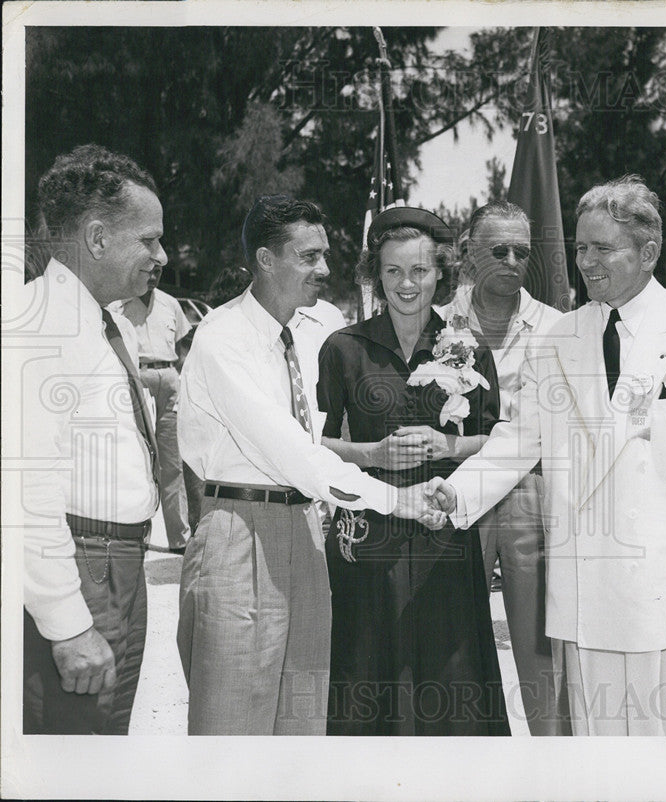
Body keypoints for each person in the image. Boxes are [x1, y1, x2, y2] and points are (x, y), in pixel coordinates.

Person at [431, 176, 666, 736]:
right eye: (580, 248)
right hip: (585, 586)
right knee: (597, 754)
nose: (585, 262)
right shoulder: (560, 337)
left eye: (602, 248)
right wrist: (456, 491)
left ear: (648, 251)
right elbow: (520, 436)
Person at [176, 195, 441, 735]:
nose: (325, 269)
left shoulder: (311, 329)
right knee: (233, 724)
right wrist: (394, 499)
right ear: (266, 260)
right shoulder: (223, 339)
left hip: (304, 529)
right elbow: (289, 451)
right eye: (309, 257)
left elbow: (317, 436)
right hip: (239, 532)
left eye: (324, 255)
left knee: (303, 717)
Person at [316, 206, 509, 736]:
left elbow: (499, 441)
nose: (407, 283)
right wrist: (372, 454)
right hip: (368, 534)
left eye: (420, 271)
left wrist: (447, 442)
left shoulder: (468, 350)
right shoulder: (343, 349)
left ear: (441, 272)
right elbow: (314, 444)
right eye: (393, 270)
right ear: (374, 274)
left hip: (443, 533)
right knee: (366, 666)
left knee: (449, 674)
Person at [19, 144, 164, 733]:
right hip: (84, 565)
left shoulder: (96, 321)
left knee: (101, 746)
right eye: (149, 240)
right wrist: (68, 623)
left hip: (115, 563)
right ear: (99, 237)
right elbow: (25, 486)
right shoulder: (48, 324)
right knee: (74, 749)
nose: (162, 255)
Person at [439, 201, 570, 736]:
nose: (512, 260)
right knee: (452, 641)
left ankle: (554, 764)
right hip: (453, 492)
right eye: (499, 250)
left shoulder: (560, 329)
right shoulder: (433, 320)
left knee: (540, 647)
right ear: (470, 251)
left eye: (522, 251)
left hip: (527, 494)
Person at [109, 264, 192, 553]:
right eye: (149, 271)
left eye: (158, 271)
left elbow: (183, 346)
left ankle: (179, 538)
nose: (153, 276)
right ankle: (136, 533)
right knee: (138, 458)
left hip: (168, 377)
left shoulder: (170, 304)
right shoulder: (119, 307)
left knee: (173, 462)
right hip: (139, 377)